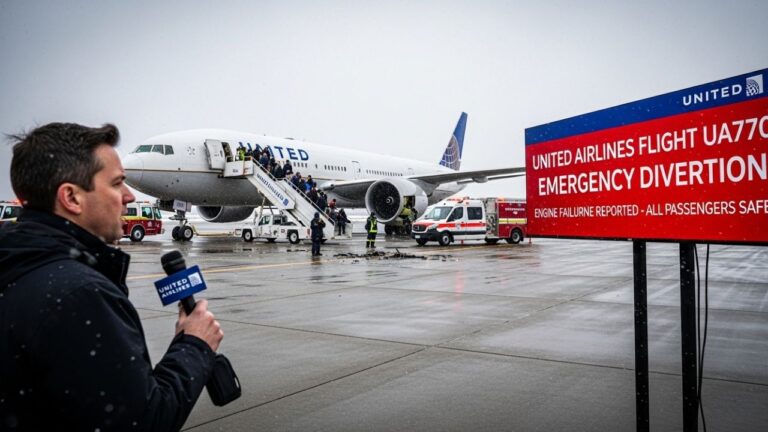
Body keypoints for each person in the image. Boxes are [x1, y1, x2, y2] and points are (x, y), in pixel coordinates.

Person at [0, 122, 223, 431]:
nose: (130, 196)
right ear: (72, 198)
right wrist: (195, 345)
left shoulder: (16, 265)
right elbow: (142, 422)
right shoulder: (78, 295)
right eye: (117, 183)